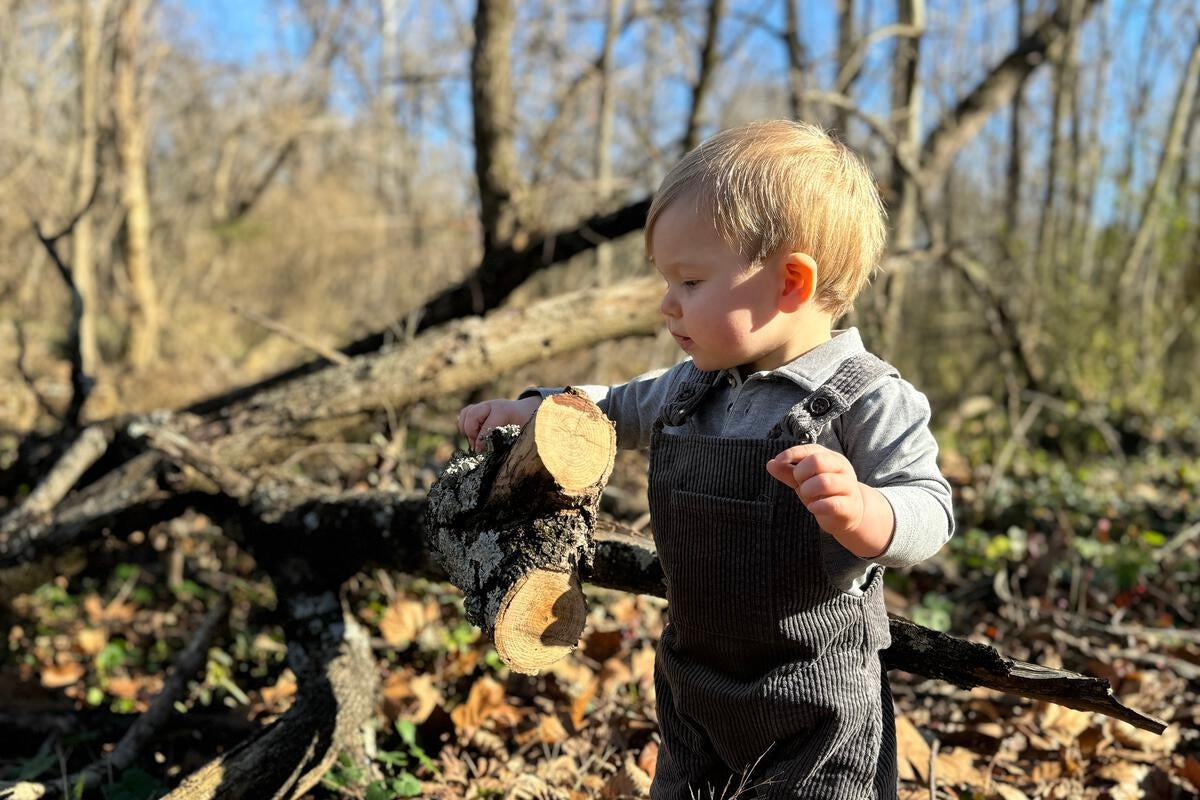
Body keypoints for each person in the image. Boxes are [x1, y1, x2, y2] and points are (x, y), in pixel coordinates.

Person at [456, 119, 954, 800]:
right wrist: (537, 409)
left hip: (814, 703)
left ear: (790, 284)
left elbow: (931, 505)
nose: (667, 305)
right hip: (694, 685)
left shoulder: (865, 398)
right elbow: (617, 407)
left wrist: (873, 513)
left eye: (689, 281)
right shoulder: (692, 387)